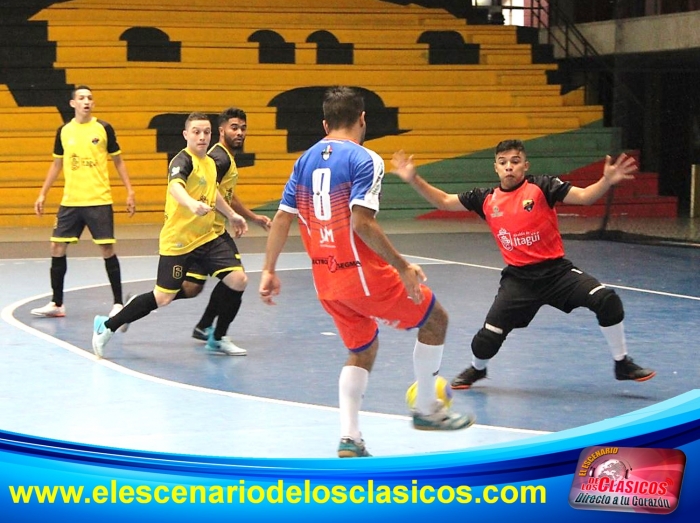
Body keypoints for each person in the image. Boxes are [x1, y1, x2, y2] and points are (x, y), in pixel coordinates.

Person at [259, 86, 475, 458]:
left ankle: (350, 438)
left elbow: (282, 218)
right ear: (362, 119)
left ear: (325, 123)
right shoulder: (365, 159)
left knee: (361, 348)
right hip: (362, 274)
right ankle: (426, 408)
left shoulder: (304, 161)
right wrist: (403, 267)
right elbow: (362, 224)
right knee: (435, 318)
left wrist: (268, 269)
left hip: (326, 280)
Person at [390, 139, 656, 390]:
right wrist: (414, 178)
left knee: (607, 300)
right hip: (518, 281)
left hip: (557, 273)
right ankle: (477, 369)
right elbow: (444, 201)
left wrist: (606, 180)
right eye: (503, 162)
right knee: (485, 342)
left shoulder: (543, 187)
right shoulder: (486, 199)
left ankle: (622, 363)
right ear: (495, 167)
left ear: (525, 166)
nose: (509, 166)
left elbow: (585, 197)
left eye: (515, 161)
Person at [91, 112, 247, 358]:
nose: (202, 136)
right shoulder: (181, 161)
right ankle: (107, 326)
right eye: (196, 131)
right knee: (163, 297)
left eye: (206, 132)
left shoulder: (209, 162)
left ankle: (217, 337)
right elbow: (176, 187)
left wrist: (231, 215)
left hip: (208, 237)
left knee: (238, 280)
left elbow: (214, 192)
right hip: (179, 241)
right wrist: (191, 204)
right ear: (186, 134)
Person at [32, 85, 136, 318]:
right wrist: (42, 193)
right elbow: (56, 164)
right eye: (81, 98)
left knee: (107, 249)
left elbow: (118, 161)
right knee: (56, 247)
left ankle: (118, 303)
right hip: (71, 201)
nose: (86, 101)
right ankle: (57, 303)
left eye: (89, 98)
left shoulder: (104, 128)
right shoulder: (64, 131)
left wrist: (129, 191)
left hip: (98, 199)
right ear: (73, 103)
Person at [183, 108, 271, 355]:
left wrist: (251, 217)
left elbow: (226, 195)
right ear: (221, 131)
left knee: (192, 288)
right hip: (208, 233)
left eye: (243, 128)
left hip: (205, 232)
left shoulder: (224, 158)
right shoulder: (219, 158)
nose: (240, 132)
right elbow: (212, 192)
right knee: (236, 279)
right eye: (234, 127)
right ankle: (218, 335)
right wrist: (232, 217)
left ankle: (201, 326)